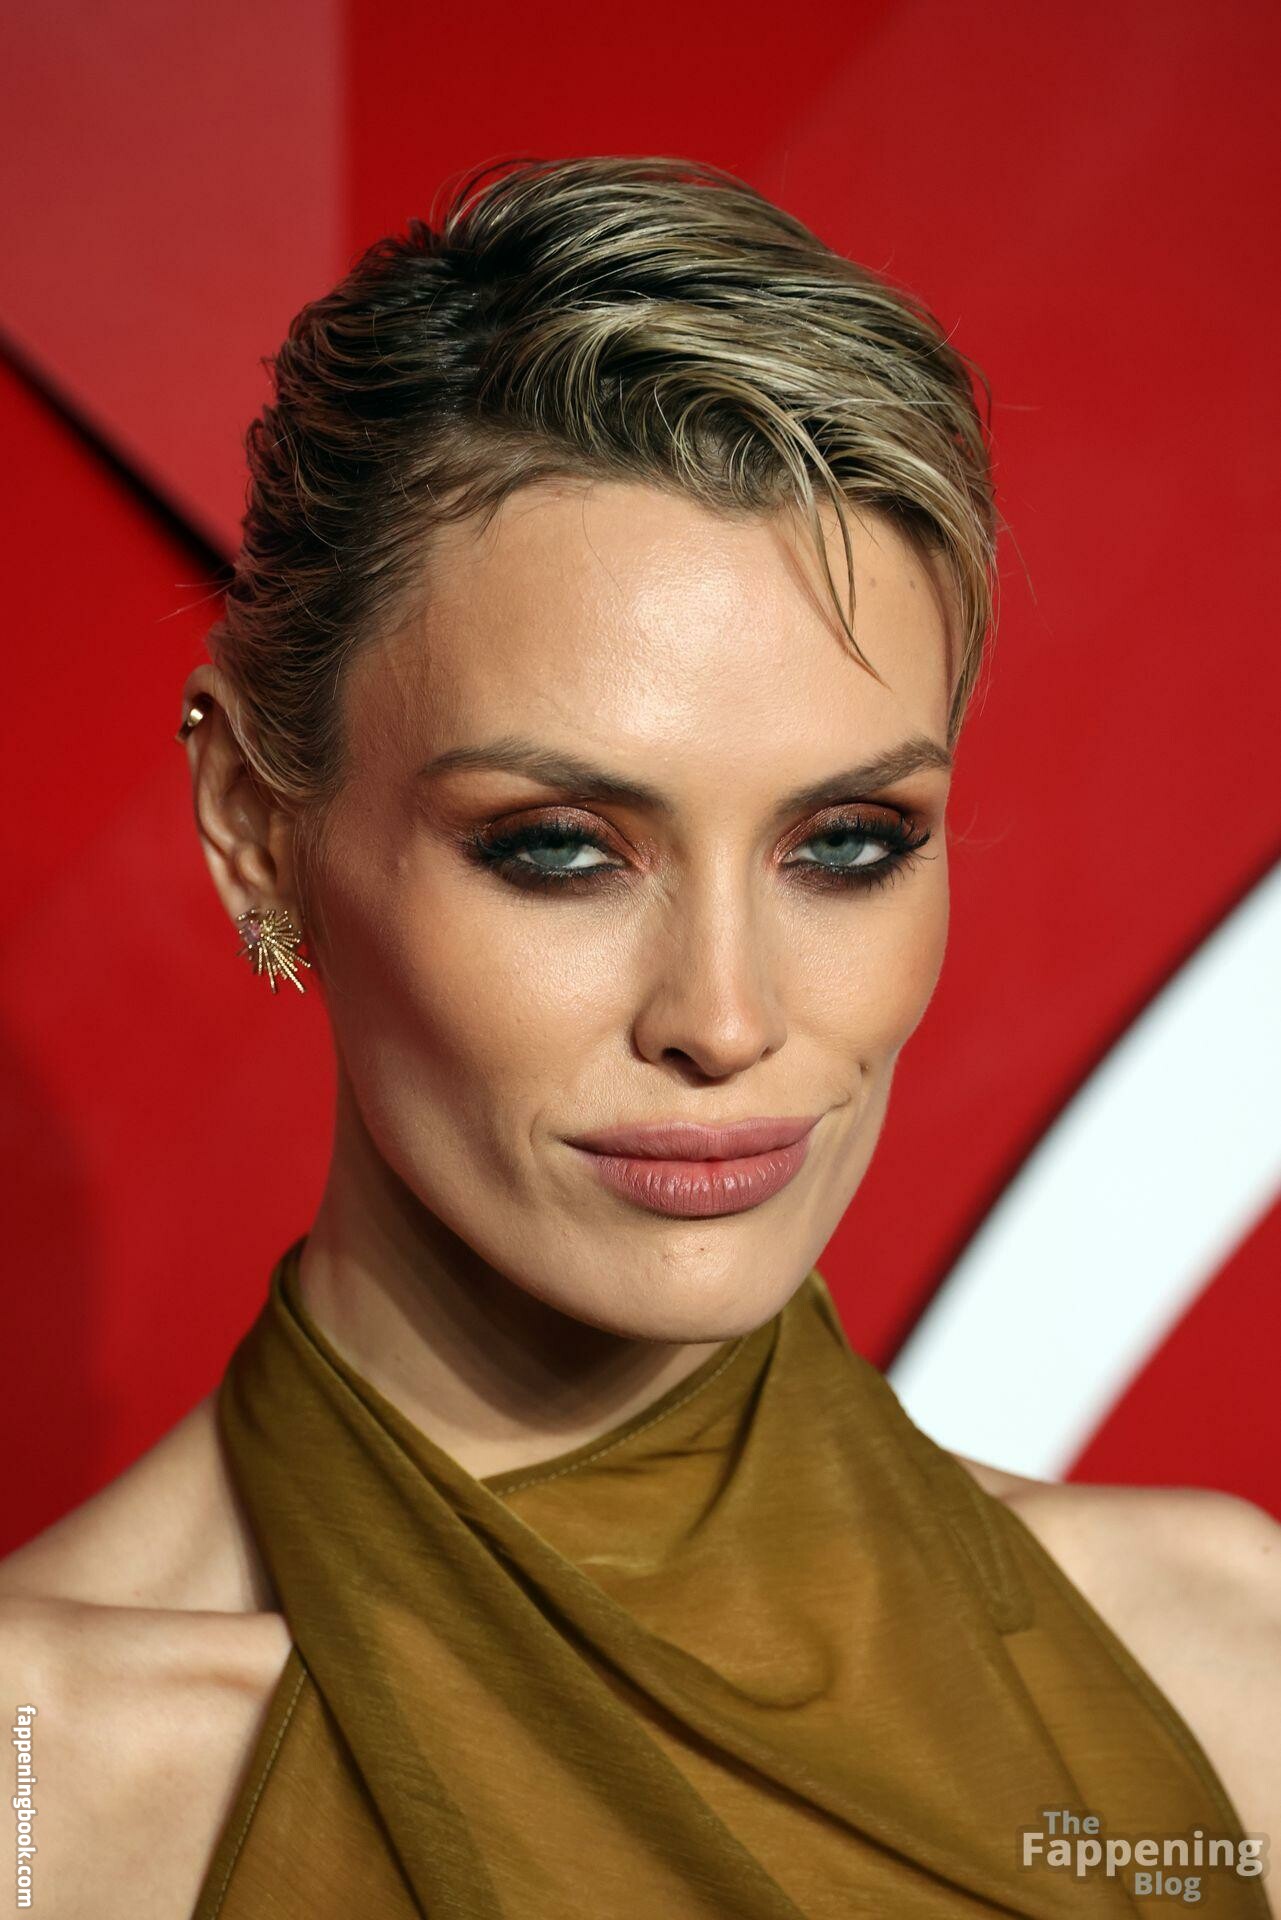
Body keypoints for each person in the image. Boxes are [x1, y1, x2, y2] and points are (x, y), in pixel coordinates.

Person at [2, 155, 1277, 1920]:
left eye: (848, 845)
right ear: (254, 824)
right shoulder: (38, 1788)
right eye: (558, 849)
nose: (725, 1020)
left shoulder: (1223, 1668)